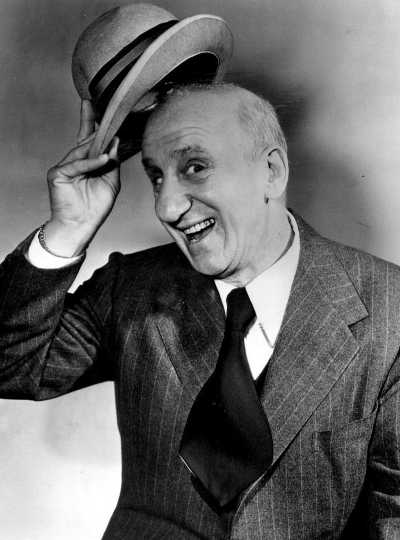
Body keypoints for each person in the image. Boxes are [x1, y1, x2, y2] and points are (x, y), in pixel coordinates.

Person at [1, 82, 400, 539]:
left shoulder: (390, 309)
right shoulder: (130, 288)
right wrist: (68, 228)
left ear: (271, 171)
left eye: (195, 167)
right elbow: (10, 365)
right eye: (156, 177)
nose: (167, 206)